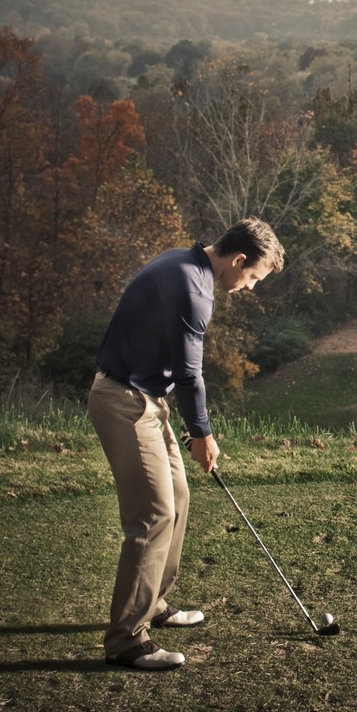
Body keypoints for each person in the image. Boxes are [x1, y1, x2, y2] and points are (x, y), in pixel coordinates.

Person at [87, 217, 284, 669]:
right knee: (153, 515)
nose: (250, 287)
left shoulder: (185, 263)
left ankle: (152, 602)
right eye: (253, 277)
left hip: (147, 399)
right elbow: (191, 373)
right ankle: (126, 641)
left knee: (178, 496)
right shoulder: (193, 288)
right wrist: (202, 434)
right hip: (124, 400)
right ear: (238, 260)